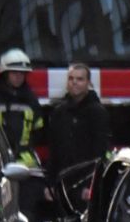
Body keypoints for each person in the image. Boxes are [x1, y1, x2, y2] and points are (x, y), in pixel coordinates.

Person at [45, 63, 110, 198]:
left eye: (80, 79)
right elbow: (53, 151)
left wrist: (90, 186)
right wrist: (50, 184)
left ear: (88, 83)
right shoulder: (59, 112)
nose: (74, 82)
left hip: (85, 186)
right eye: (71, 78)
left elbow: (100, 153)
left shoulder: (98, 112)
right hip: (62, 184)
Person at [0, 48, 44, 167]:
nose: (19, 76)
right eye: (14, 72)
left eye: (22, 73)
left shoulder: (30, 99)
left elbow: (39, 131)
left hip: (25, 161)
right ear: (5, 73)